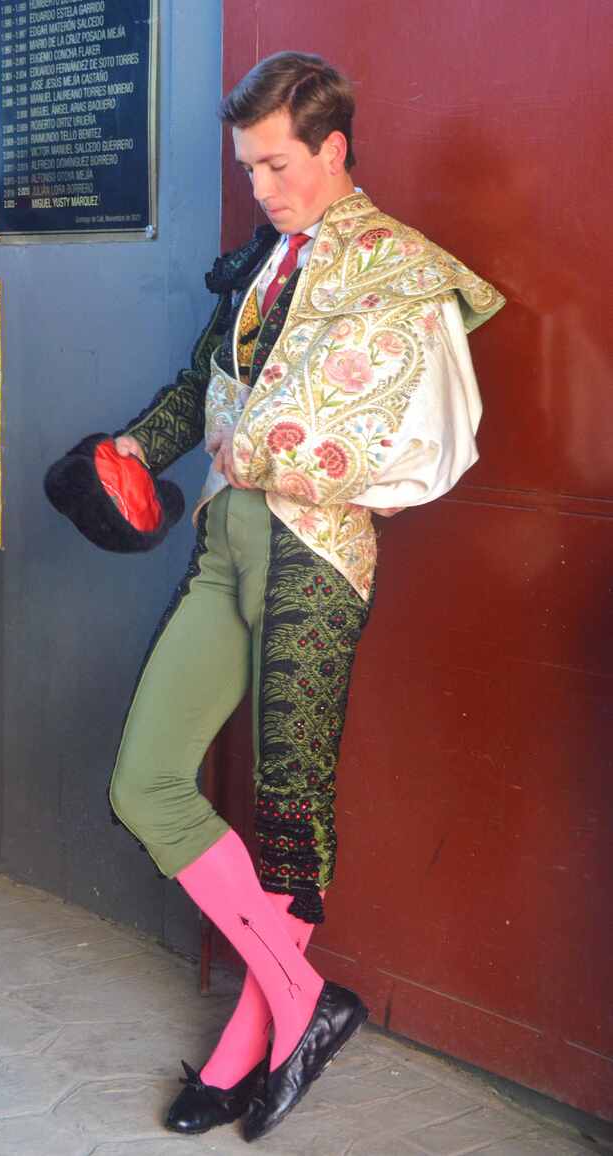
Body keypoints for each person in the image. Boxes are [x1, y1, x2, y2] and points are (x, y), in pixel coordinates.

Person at [107, 51, 505, 1143]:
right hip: (224, 544)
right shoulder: (259, 263)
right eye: (249, 168)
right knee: (145, 780)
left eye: (277, 166)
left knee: (286, 814)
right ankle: (306, 999)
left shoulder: (399, 268)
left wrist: (278, 456)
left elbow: (436, 442)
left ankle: (250, 1042)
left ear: (333, 149)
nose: (262, 188)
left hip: (315, 556)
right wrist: (128, 451)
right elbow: (200, 387)